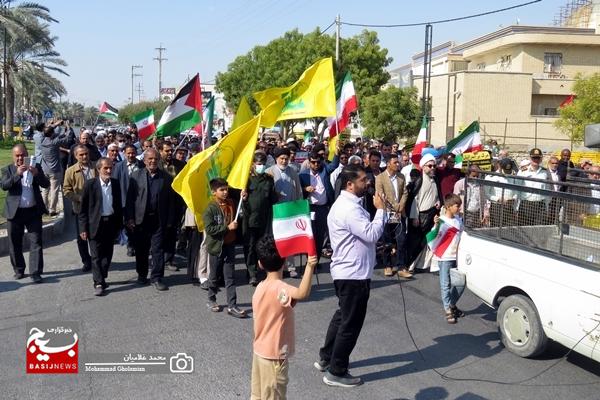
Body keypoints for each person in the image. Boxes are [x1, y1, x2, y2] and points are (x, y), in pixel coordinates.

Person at [315, 164, 387, 388]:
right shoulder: (349, 209)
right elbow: (371, 233)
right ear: (350, 184)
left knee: (342, 316)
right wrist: (382, 210)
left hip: (349, 271)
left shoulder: (349, 204)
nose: (368, 183)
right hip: (353, 274)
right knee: (350, 323)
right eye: (364, 180)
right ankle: (336, 371)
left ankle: (327, 357)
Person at [251, 235, 318, 399]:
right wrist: (310, 266)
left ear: (260, 264)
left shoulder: (260, 287)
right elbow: (302, 293)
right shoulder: (281, 288)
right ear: (285, 259)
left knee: (257, 395)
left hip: (259, 353)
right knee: (274, 395)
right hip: (274, 357)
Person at [125, 148, 175, 291]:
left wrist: (170, 220)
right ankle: (142, 275)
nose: (153, 161)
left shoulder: (166, 178)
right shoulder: (136, 176)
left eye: (155, 159)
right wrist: (129, 218)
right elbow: (130, 200)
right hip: (141, 220)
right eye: (150, 159)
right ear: (144, 160)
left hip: (159, 220)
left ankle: (157, 277)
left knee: (158, 249)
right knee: (141, 249)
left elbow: (171, 202)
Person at [1, 144, 50, 282]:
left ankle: (35, 272)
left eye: (22, 155)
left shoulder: (36, 167)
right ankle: (19, 270)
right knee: (15, 243)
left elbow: (46, 184)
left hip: (33, 211)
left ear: (27, 155)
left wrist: (37, 174)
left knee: (36, 242)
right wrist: (17, 174)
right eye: (17, 155)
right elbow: (4, 186)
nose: (20, 158)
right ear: (13, 157)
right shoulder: (8, 169)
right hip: (15, 213)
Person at [204, 178, 247, 318]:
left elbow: (240, 215)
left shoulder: (232, 203)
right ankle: (211, 298)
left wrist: (243, 201)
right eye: (221, 190)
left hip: (230, 245)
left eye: (226, 189)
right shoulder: (210, 208)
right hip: (217, 247)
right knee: (214, 275)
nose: (225, 192)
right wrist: (226, 228)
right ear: (213, 192)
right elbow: (210, 229)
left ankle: (232, 305)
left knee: (230, 277)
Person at [79, 158, 123, 296]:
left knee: (107, 254)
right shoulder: (90, 185)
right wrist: (83, 228)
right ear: (98, 170)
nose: (109, 171)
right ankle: (98, 282)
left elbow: (118, 205)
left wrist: (119, 225)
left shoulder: (115, 184)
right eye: (106, 168)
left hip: (110, 223)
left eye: (110, 168)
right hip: (94, 224)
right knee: (96, 255)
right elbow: (83, 209)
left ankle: (102, 276)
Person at [241, 151, 278, 286]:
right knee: (249, 247)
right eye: (258, 164)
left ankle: (259, 268)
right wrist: (243, 197)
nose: (260, 166)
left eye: (262, 164)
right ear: (253, 164)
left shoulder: (269, 179)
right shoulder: (247, 179)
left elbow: (272, 199)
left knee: (261, 246)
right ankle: (251, 272)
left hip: (263, 219)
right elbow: (242, 200)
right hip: (249, 218)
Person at [299, 150, 339, 269]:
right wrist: (306, 189)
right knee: (310, 235)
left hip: (323, 208)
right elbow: (299, 190)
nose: (316, 165)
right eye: (313, 162)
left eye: (318, 162)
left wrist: (337, 152)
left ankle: (316, 260)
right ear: (309, 162)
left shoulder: (324, 170)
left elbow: (334, 165)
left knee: (320, 236)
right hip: (309, 208)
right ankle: (309, 259)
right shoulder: (303, 174)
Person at [431, 194, 466, 324]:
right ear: (448, 207)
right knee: (445, 284)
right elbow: (432, 237)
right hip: (445, 257)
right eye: (457, 206)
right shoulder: (441, 221)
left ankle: (451, 304)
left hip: (457, 257)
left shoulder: (458, 219)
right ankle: (448, 310)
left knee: (461, 283)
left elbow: (463, 233)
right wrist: (435, 225)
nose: (459, 208)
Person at [375, 153, 411, 278]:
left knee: (401, 240)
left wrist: (401, 205)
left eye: (398, 162)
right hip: (387, 213)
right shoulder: (380, 178)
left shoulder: (401, 177)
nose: (398, 164)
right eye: (395, 162)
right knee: (387, 241)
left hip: (399, 213)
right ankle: (388, 265)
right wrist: (395, 206)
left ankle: (401, 266)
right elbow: (380, 194)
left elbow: (405, 192)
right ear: (388, 164)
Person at [63, 144, 97, 272]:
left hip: (96, 209)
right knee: (81, 237)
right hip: (80, 209)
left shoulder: (96, 167)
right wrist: (79, 198)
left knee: (96, 236)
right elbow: (66, 190)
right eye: (81, 154)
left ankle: (96, 259)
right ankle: (86, 261)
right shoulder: (70, 171)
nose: (84, 156)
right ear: (76, 156)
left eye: (86, 154)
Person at [112, 144, 145, 256]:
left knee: (138, 223)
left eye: (133, 153)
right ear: (124, 154)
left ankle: (137, 243)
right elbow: (115, 183)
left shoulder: (142, 165)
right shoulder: (119, 166)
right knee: (127, 224)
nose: (131, 155)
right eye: (128, 153)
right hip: (124, 201)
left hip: (139, 200)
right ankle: (130, 244)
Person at [40, 121, 75, 216]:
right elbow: (68, 138)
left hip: (45, 169)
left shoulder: (42, 140)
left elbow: (45, 133)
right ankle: (52, 209)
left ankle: (44, 208)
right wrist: (67, 126)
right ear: (52, 133)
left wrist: (53, 125)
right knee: (54, 190)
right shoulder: (54, 142)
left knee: (45, 190)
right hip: (55, 170)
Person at [517, 148, 551, 226]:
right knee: (525, 230)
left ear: (541, 159)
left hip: (540, 205)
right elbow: (517, 190)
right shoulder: (523, 172)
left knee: (539, 229)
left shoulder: (545, 172)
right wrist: (516, 207)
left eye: (538, 158)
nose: (536, 160)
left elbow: (547, 190)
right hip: (526, 204)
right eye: (534, 158)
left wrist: (547, 207)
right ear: (530, 158)